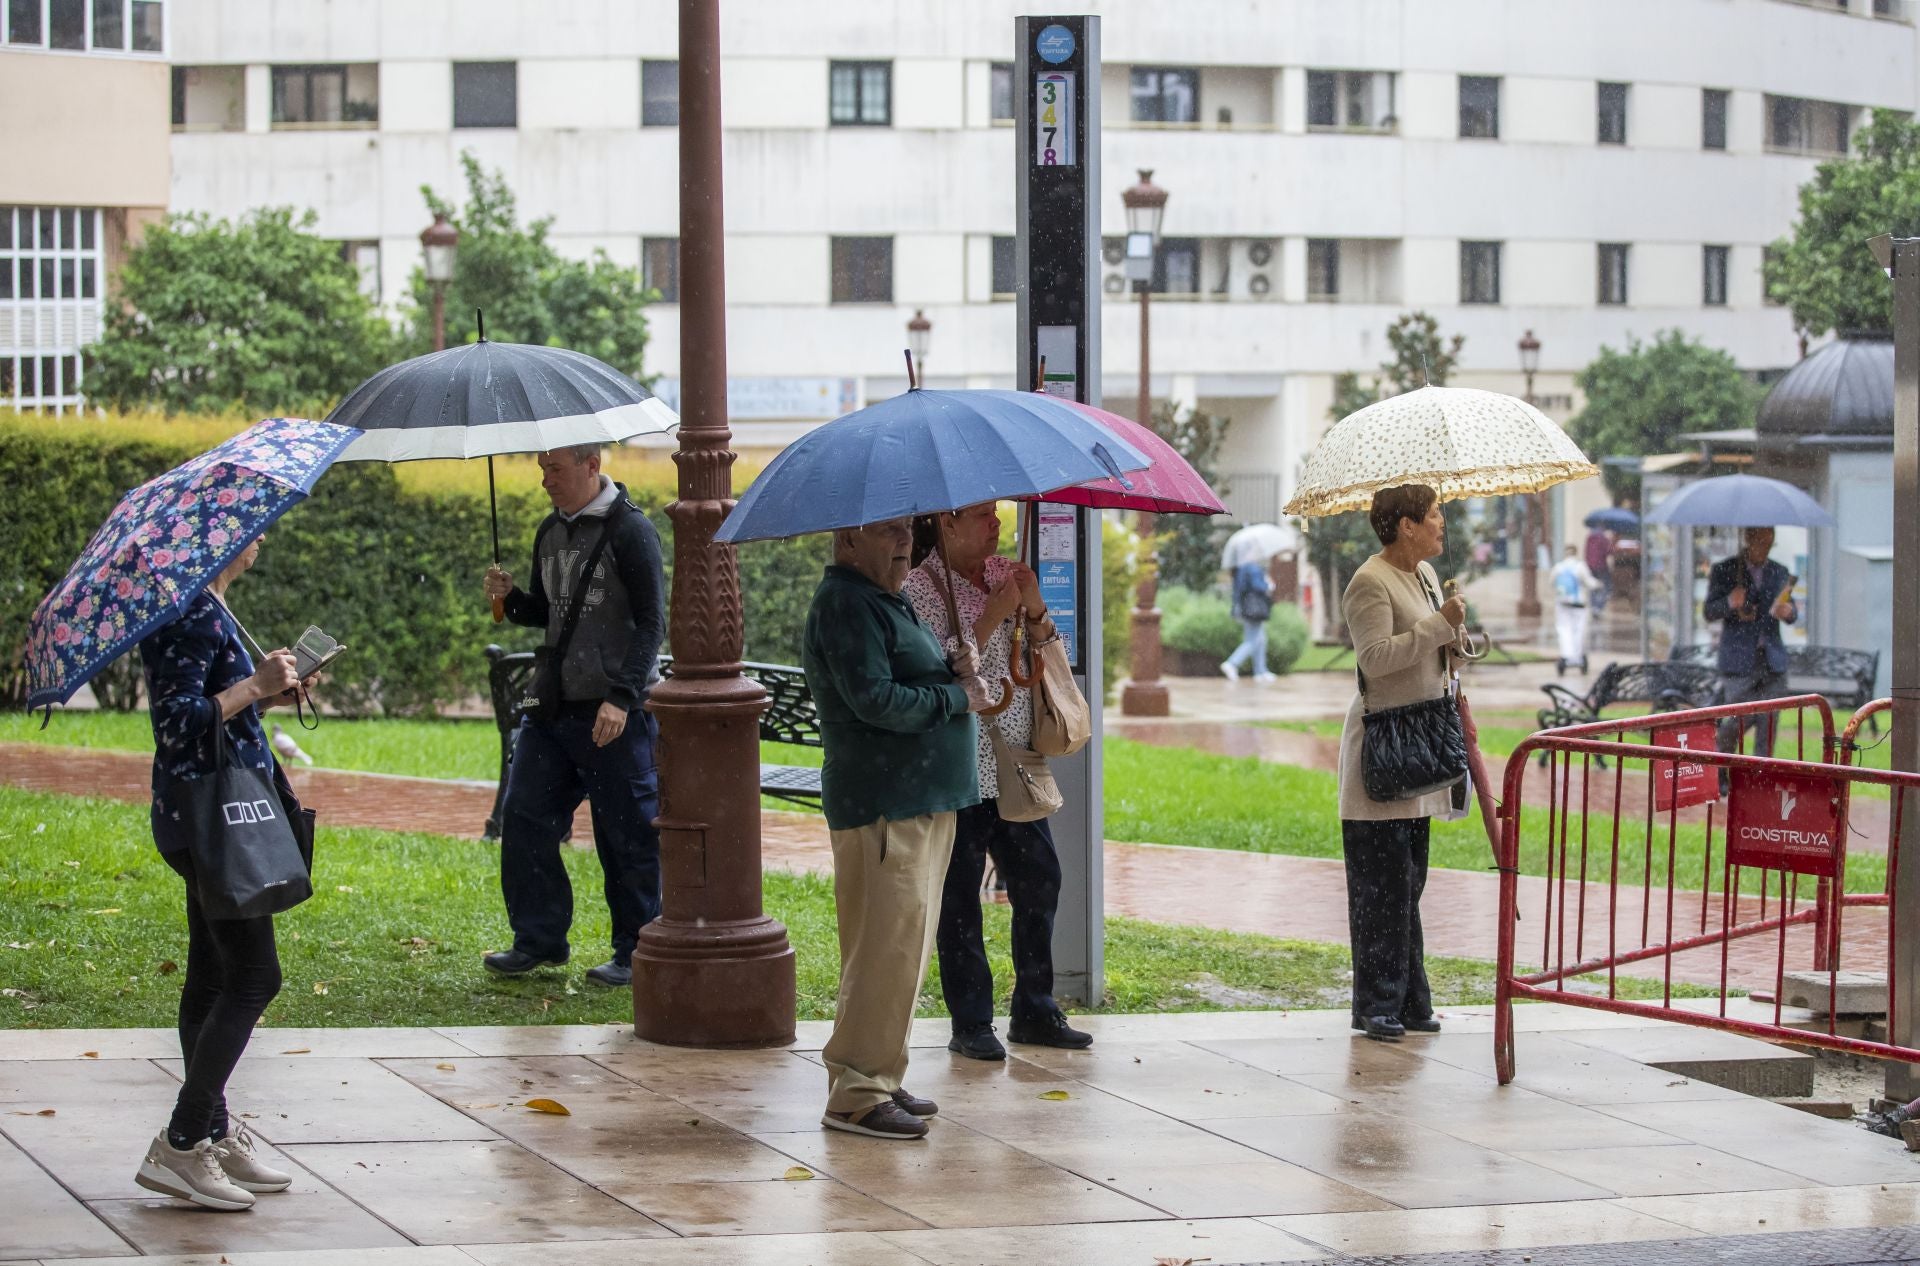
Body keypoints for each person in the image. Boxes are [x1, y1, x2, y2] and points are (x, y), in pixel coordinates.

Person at [804, 517, 993, 1140]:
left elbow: (908, 677)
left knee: (903, 948)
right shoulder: (846, 604)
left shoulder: (888, 598)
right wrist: (956, 698)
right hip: (885, 802)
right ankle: (856, 1093)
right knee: (883, 950)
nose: (904, 541)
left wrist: (952, 664)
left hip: (920, 800)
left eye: (906, 529)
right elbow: (877, 702)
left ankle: (879, 1071)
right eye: (886, 531)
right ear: (846, 539)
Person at [134, 535, 307, 1211]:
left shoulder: (207, 607)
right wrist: (254, 686)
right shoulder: (191, 614)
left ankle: (212, 1130)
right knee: (257, 976)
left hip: (207, 814)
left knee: (210, 975)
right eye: (249, 529)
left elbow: (218, 713)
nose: (261, 535)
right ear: (218, 544)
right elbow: (177, 723)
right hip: (212, 819)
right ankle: (180, 1143)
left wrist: (265, 694)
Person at [902, 504, 1093, 1063]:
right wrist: (992, 613)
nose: (997, 524)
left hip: (1016, 762)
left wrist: (1034, 612)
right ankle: (971, 1021)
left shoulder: (1005, 573)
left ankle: (1035, 1008)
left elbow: (1045, 658)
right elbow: (935, 670)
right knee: (960, 898)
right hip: (959, 768)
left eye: (998, 514)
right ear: (947, 524)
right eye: (983, 516)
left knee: (1040, 880)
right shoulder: (918, 589)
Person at [480, 444, 666, 988]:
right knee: (524, 815)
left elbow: (653, 623)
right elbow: (548, 614)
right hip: (554, 705)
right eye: (542, 470)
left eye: (554, 470)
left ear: (592, 465)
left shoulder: (633, 532)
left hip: (614, 710)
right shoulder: (549, 531)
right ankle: (537, 941)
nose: (546, 481)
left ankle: (635, 951)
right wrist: (511, 597)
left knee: (626, 834)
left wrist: (623, 696)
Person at [1336, 484, 1467, 1042]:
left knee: (1408, 882)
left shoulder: (1425, 577)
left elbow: (1432, 650)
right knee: (1379, 887)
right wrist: (1437, 627)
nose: (1443, 523)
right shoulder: (1369, 581)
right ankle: (1375, 1004)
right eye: (1435, 514)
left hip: (1421, 744)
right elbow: (1375, 658)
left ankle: (1412, 1000)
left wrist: (1455, 635)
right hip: (1385, 747)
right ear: (1405, 525)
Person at [1703, 525, 1798, 766]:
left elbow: (1792, 610)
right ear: (1748, 539)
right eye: (1760, 543)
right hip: (1739, 660)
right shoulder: (1725, 570)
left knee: (1768, 722)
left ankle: (1760, 776)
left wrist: (1788, 612)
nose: (1764, 550)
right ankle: (1721, 771)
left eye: (1769, 544)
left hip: (1771, 660)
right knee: (1735, 720)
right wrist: (1730, 602)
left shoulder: (1779, 572)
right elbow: (1709, 610)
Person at [1220, 555, 1277, 683]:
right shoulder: (1252, 568)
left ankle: (1260, 671)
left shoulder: (1242, 568)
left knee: (1260, 639)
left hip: (1246, 608)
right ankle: (1232, 663)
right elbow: (1258, 586)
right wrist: (1268, 585)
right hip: (1254, 608)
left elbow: (1239, 590)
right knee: (1252, 641)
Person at [1549, 545, 1601, 676]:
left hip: (1562, 604)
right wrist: (1598, 584)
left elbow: (1551, 583)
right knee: (1579, 630)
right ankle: (1577, 656)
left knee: (1564, 630)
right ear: (1576, 553)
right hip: (1578, 604)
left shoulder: (1558, 567)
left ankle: (1566, 654)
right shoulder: (1580, 566)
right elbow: (1590, 582)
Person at [1584, 523, 1615, 614]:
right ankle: (1599, 606)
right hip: (1601, 565)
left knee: (1593, 586)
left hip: (1590, 565)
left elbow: (1586, 552)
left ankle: (1593, 605)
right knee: (1605, 586)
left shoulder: (1589, 538)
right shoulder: (1603, 538)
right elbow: (1609, 551)